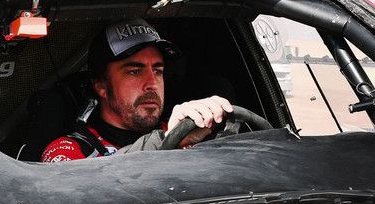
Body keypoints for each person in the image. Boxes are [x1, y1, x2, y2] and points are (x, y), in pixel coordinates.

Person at [41, 18, 232, 162]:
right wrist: (167, 141)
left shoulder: (187, 133)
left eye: (157, 71)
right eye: (134, 71)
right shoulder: (67, 151)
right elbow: (83, 193)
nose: (152, 83)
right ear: (101, 86)